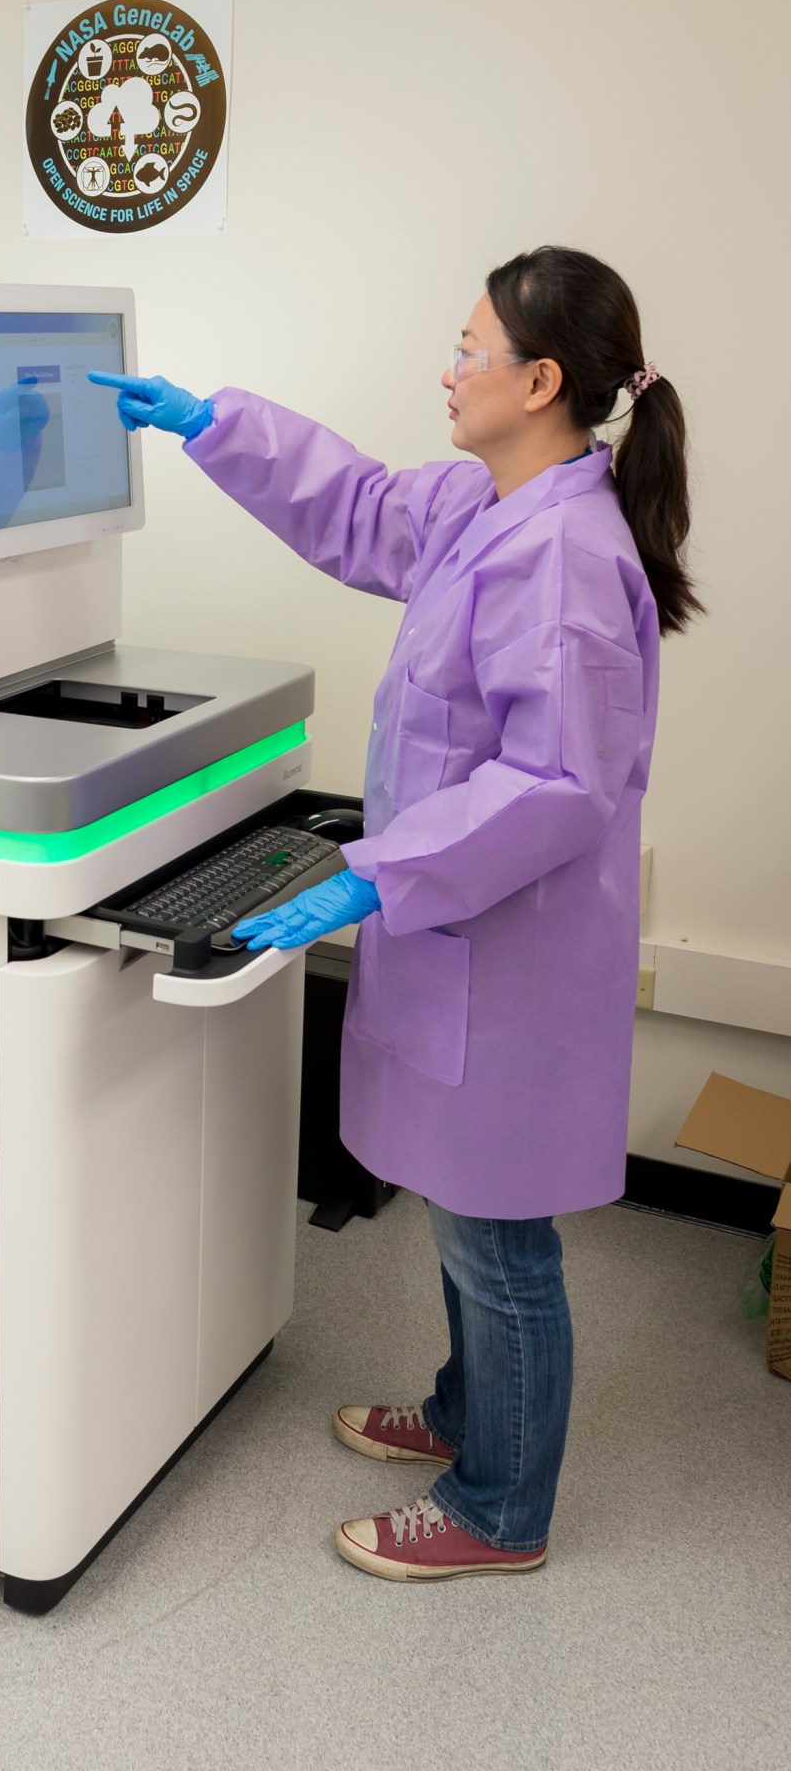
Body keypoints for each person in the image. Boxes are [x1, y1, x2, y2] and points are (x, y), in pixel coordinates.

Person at [91, 246, 699, 1582]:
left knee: (498, 1239)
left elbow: (551, 786)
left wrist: (379, 874)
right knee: (459, 1207)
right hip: (456, 934)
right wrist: (213, 426)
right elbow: (362, 507)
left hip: (510, 958)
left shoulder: (561, 556)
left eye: (469, 348)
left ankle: (499, 1511)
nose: (448, 367)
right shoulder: (494, 503)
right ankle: (461, 1415)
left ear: (538, 381)